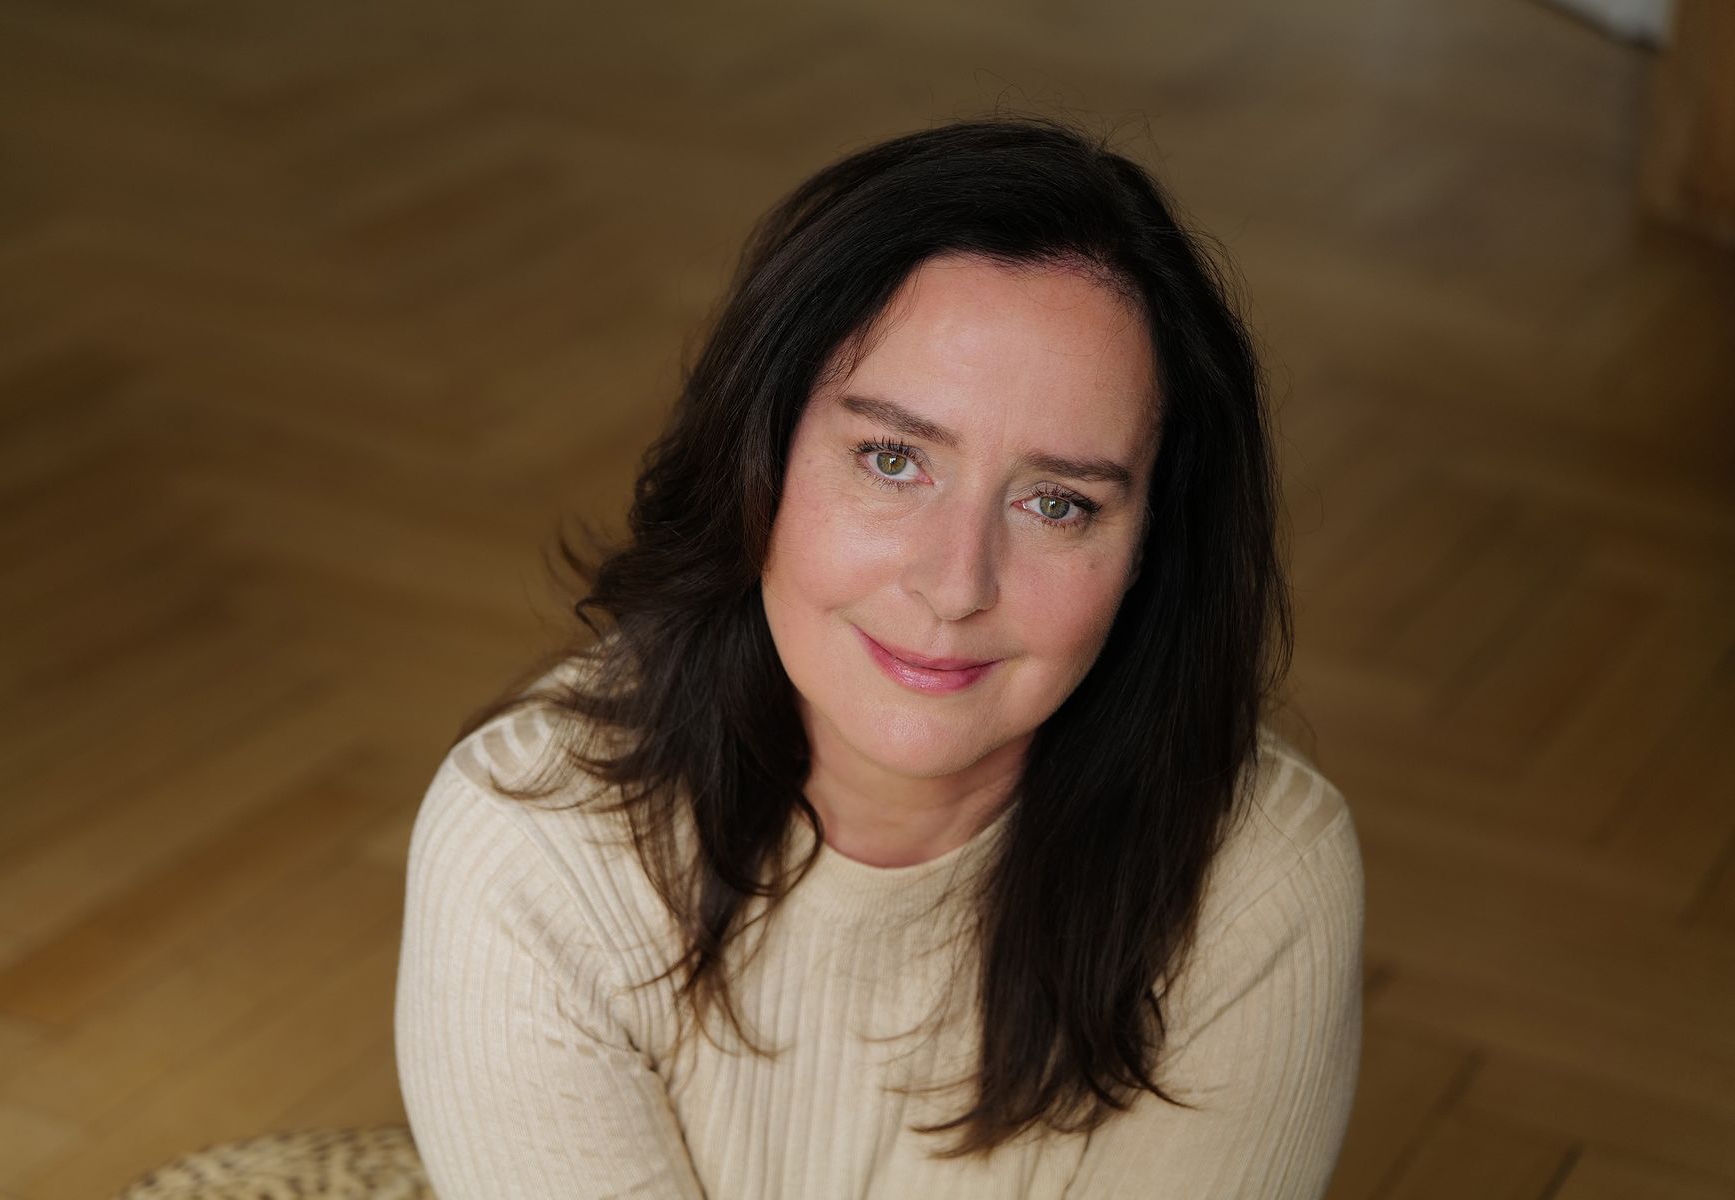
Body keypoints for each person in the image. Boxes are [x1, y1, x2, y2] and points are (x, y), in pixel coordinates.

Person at [394, 114, 1365, 1199]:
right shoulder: (532, 850)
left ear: (1149, 551)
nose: (956, 586)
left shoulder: (1255, 880)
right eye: (893, 458)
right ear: (761, 454)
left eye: (1058, 503)